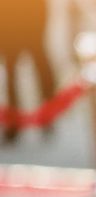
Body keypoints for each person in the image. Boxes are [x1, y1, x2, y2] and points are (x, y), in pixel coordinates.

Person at [0, 1, 57, 145]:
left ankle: (47, 116)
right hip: (10, 24)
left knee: (42, 70)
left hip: (31, 22)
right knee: (14, 74)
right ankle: (14, 123)